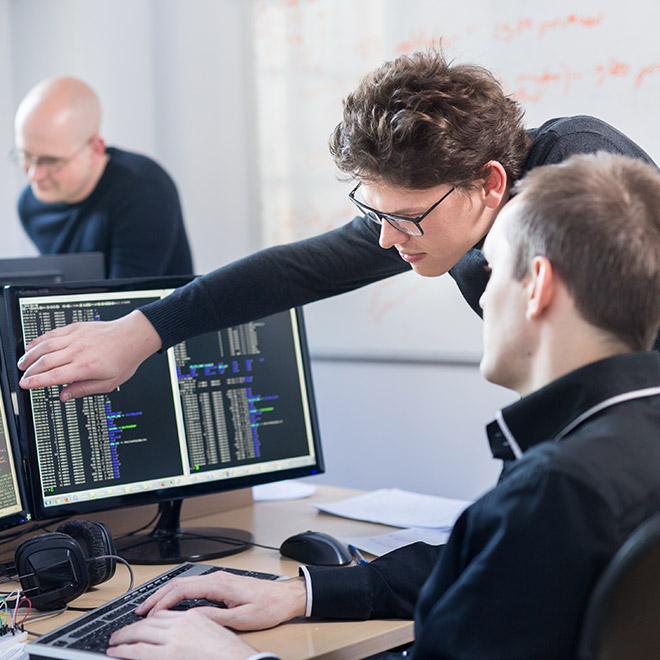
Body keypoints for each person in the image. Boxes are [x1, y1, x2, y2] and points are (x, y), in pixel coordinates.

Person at [106, 152, 660, 659]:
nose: (484, 296)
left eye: (491, 267)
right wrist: (308, 593)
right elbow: (501, 570)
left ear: (537, 285)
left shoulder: (554, 491)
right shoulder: (614, 456)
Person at [16, 50, 658, 398]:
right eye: (375, 213)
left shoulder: (579, 174)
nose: (385, 239)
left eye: (404, 220)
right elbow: (302, 268)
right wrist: (142, 332)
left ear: (489, 185)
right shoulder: (439, 207)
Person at [13, 76, 193, 279]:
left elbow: (130, 301)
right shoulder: (30, 205)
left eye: (52, 161)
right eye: (26, 156)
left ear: (95, 148)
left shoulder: (144, 190)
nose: (34, 175)